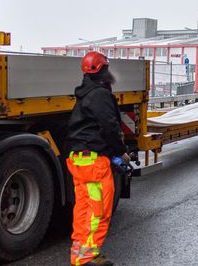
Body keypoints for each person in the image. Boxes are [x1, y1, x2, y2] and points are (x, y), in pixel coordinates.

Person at [65, 51, 129, 266]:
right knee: (98, 210)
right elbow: (109, 127)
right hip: (94, 162)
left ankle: (78, 252)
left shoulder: (84, 93)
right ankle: (88, 256)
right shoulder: (100, 94)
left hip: (79, 159)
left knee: (83, 208)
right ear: (104, 70)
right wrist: (120, 152)